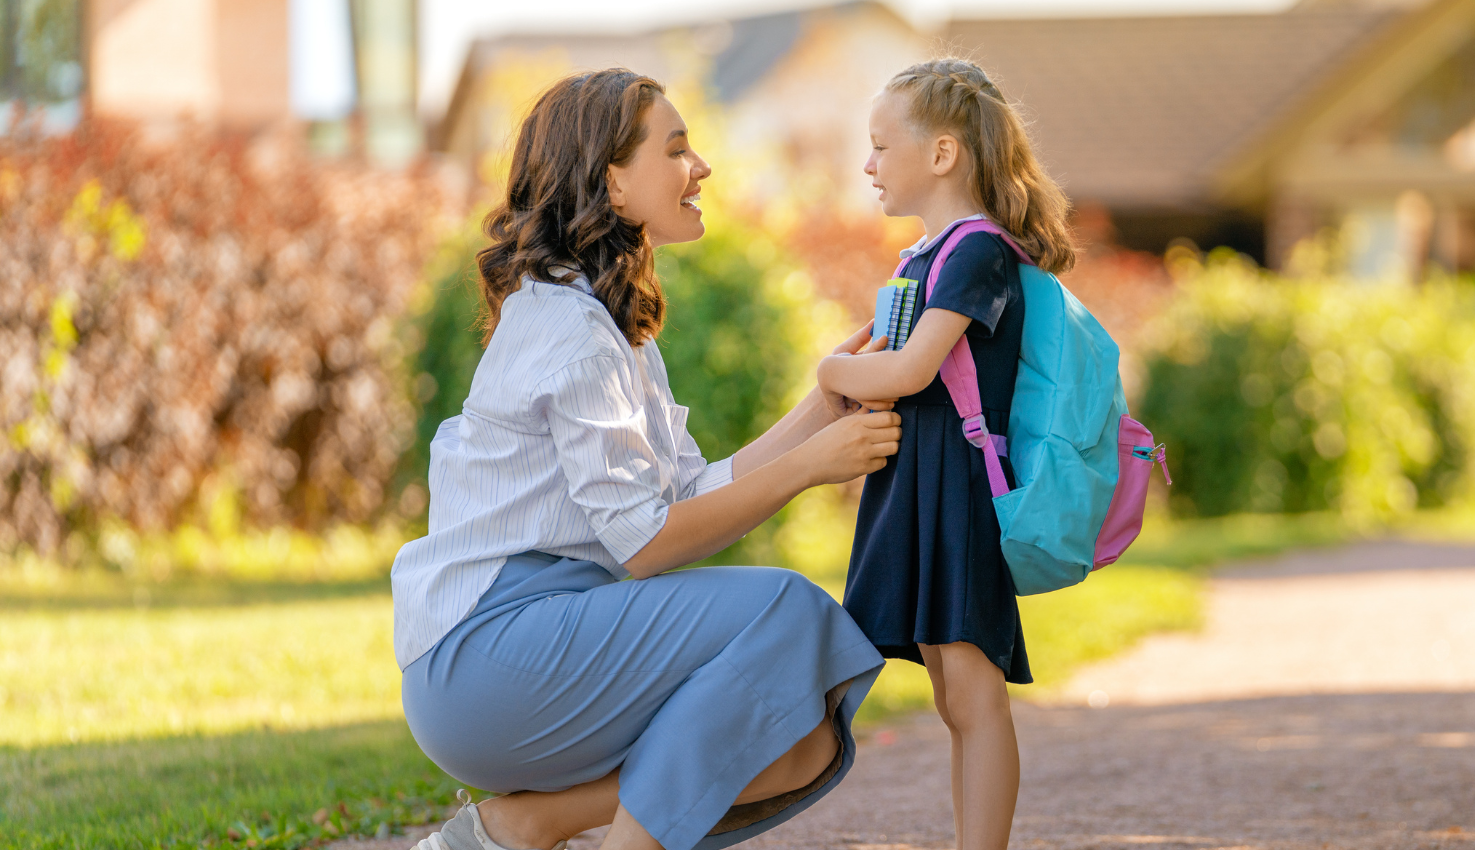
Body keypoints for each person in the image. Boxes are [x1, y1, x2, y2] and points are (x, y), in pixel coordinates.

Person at [393, 68, 902, 850]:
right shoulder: (570, 328)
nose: (701, 167)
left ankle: (524, 826)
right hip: (486, 656)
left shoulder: (606, 321)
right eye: (676, 149)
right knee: (788, 611)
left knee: (803, 739)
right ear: (612, 184)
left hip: (531, 641)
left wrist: (818, 411)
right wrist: (809, 468)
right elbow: (648, 545)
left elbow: (684, 494)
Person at [815, 58, 1078, 850]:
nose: (867, 165)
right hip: (921, 484)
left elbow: (907, 370)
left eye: (881, 147)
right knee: (950, 692)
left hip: (958, 491)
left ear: (942, 155)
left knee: (972, 693)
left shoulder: (978, 253)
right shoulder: (925, 257)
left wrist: (830, 368)